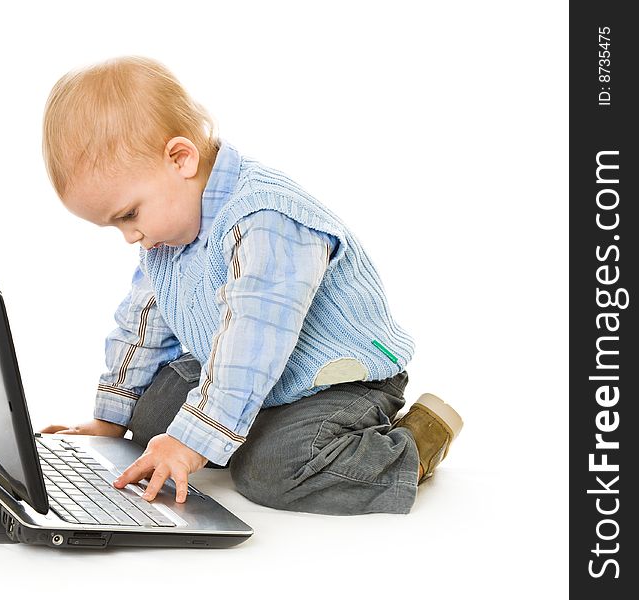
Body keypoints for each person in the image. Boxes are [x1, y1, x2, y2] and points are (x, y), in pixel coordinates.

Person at [39, 56, 463, 515]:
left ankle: (411, 448)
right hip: (257, 375)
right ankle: (230, 428)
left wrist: (190, 441)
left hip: (336, 383)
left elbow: (250, 341)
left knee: (270, 471)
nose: (130, 237)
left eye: (128, 215)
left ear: (180, 159)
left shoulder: (267, 219)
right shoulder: (167, 231)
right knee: (148, 418)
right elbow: (143, 323)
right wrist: (108, 419)